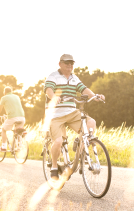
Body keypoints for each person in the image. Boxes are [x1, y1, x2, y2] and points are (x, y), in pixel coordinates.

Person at [44, 54, 105, 185]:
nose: (69, 65)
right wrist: (54, 97)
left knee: (91, 123)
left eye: (71, 63)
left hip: (72, 112)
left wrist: (95, 96)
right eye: (66, 63)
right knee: (58, 142)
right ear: (60, 64)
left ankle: (81, 143)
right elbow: (48, 89)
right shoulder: (53, 76)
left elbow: (83, 89)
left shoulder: (74, 78)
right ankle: (54, 168)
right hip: (56, 115)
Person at [0, 86, 26, 152]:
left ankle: (4, 147)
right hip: (22, 117)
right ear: (11, 92)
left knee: (3, 130)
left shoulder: (4, 97)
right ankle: (19, 146)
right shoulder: (17, 97)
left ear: (4, 92)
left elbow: (0, 109)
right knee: (18, 131)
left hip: (12, 117)